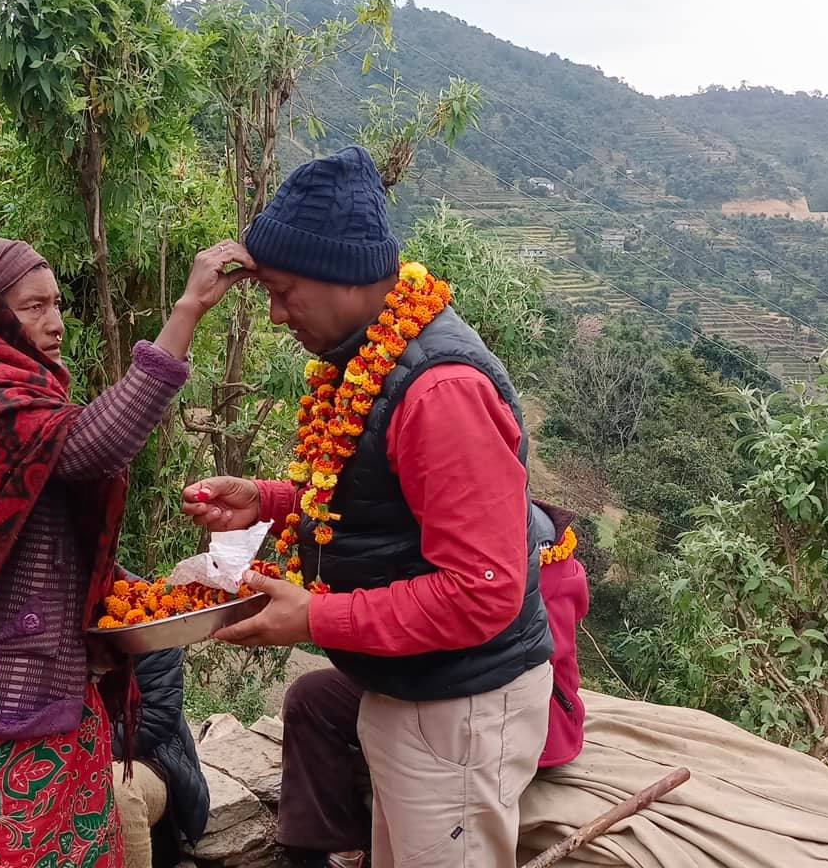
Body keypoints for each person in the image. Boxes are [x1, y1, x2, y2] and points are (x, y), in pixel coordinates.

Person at [184, 145, 554, 867]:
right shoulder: (368, 358)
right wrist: (267, 501)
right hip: (413, 687)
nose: (275, 315)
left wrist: (314, 617)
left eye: (285, 291)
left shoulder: (439, 390)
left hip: (459, 708)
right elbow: (380, 503)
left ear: (346, 278)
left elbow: (483, 592)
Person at [0, 236, 250, 867]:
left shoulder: (25, 390)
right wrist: (186, 310)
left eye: (55, 305)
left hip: (58, 689)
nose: (54, 323)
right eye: (32, 308)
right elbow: (91, 449)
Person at [275, 503, 591, 868]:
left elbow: (516, 658)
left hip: (509, 716)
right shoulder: (439, 533)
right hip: (424, 680)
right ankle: (330, 848)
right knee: (312, 697)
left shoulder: (538, 567)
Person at [111, 640, 211, 868]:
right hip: (73, 753)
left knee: (120, 792)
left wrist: (91, 747)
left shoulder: (147, 627)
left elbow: (156, 717)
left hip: (147, 756)